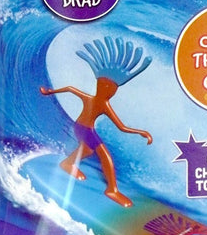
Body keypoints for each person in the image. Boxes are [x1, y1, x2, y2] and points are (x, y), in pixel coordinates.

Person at [41, 36, 152, 207]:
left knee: (87, 150)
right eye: (112, 89)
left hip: (80, 128)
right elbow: (121, 127)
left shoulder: (94, 100)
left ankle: (68, 163)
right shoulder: (102, 104)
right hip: (86, 130)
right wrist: (142, 133)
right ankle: (112, 190)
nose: (113, 92)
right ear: (106, 88)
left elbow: (71, 89)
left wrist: (50, 92)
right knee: (106, 157)